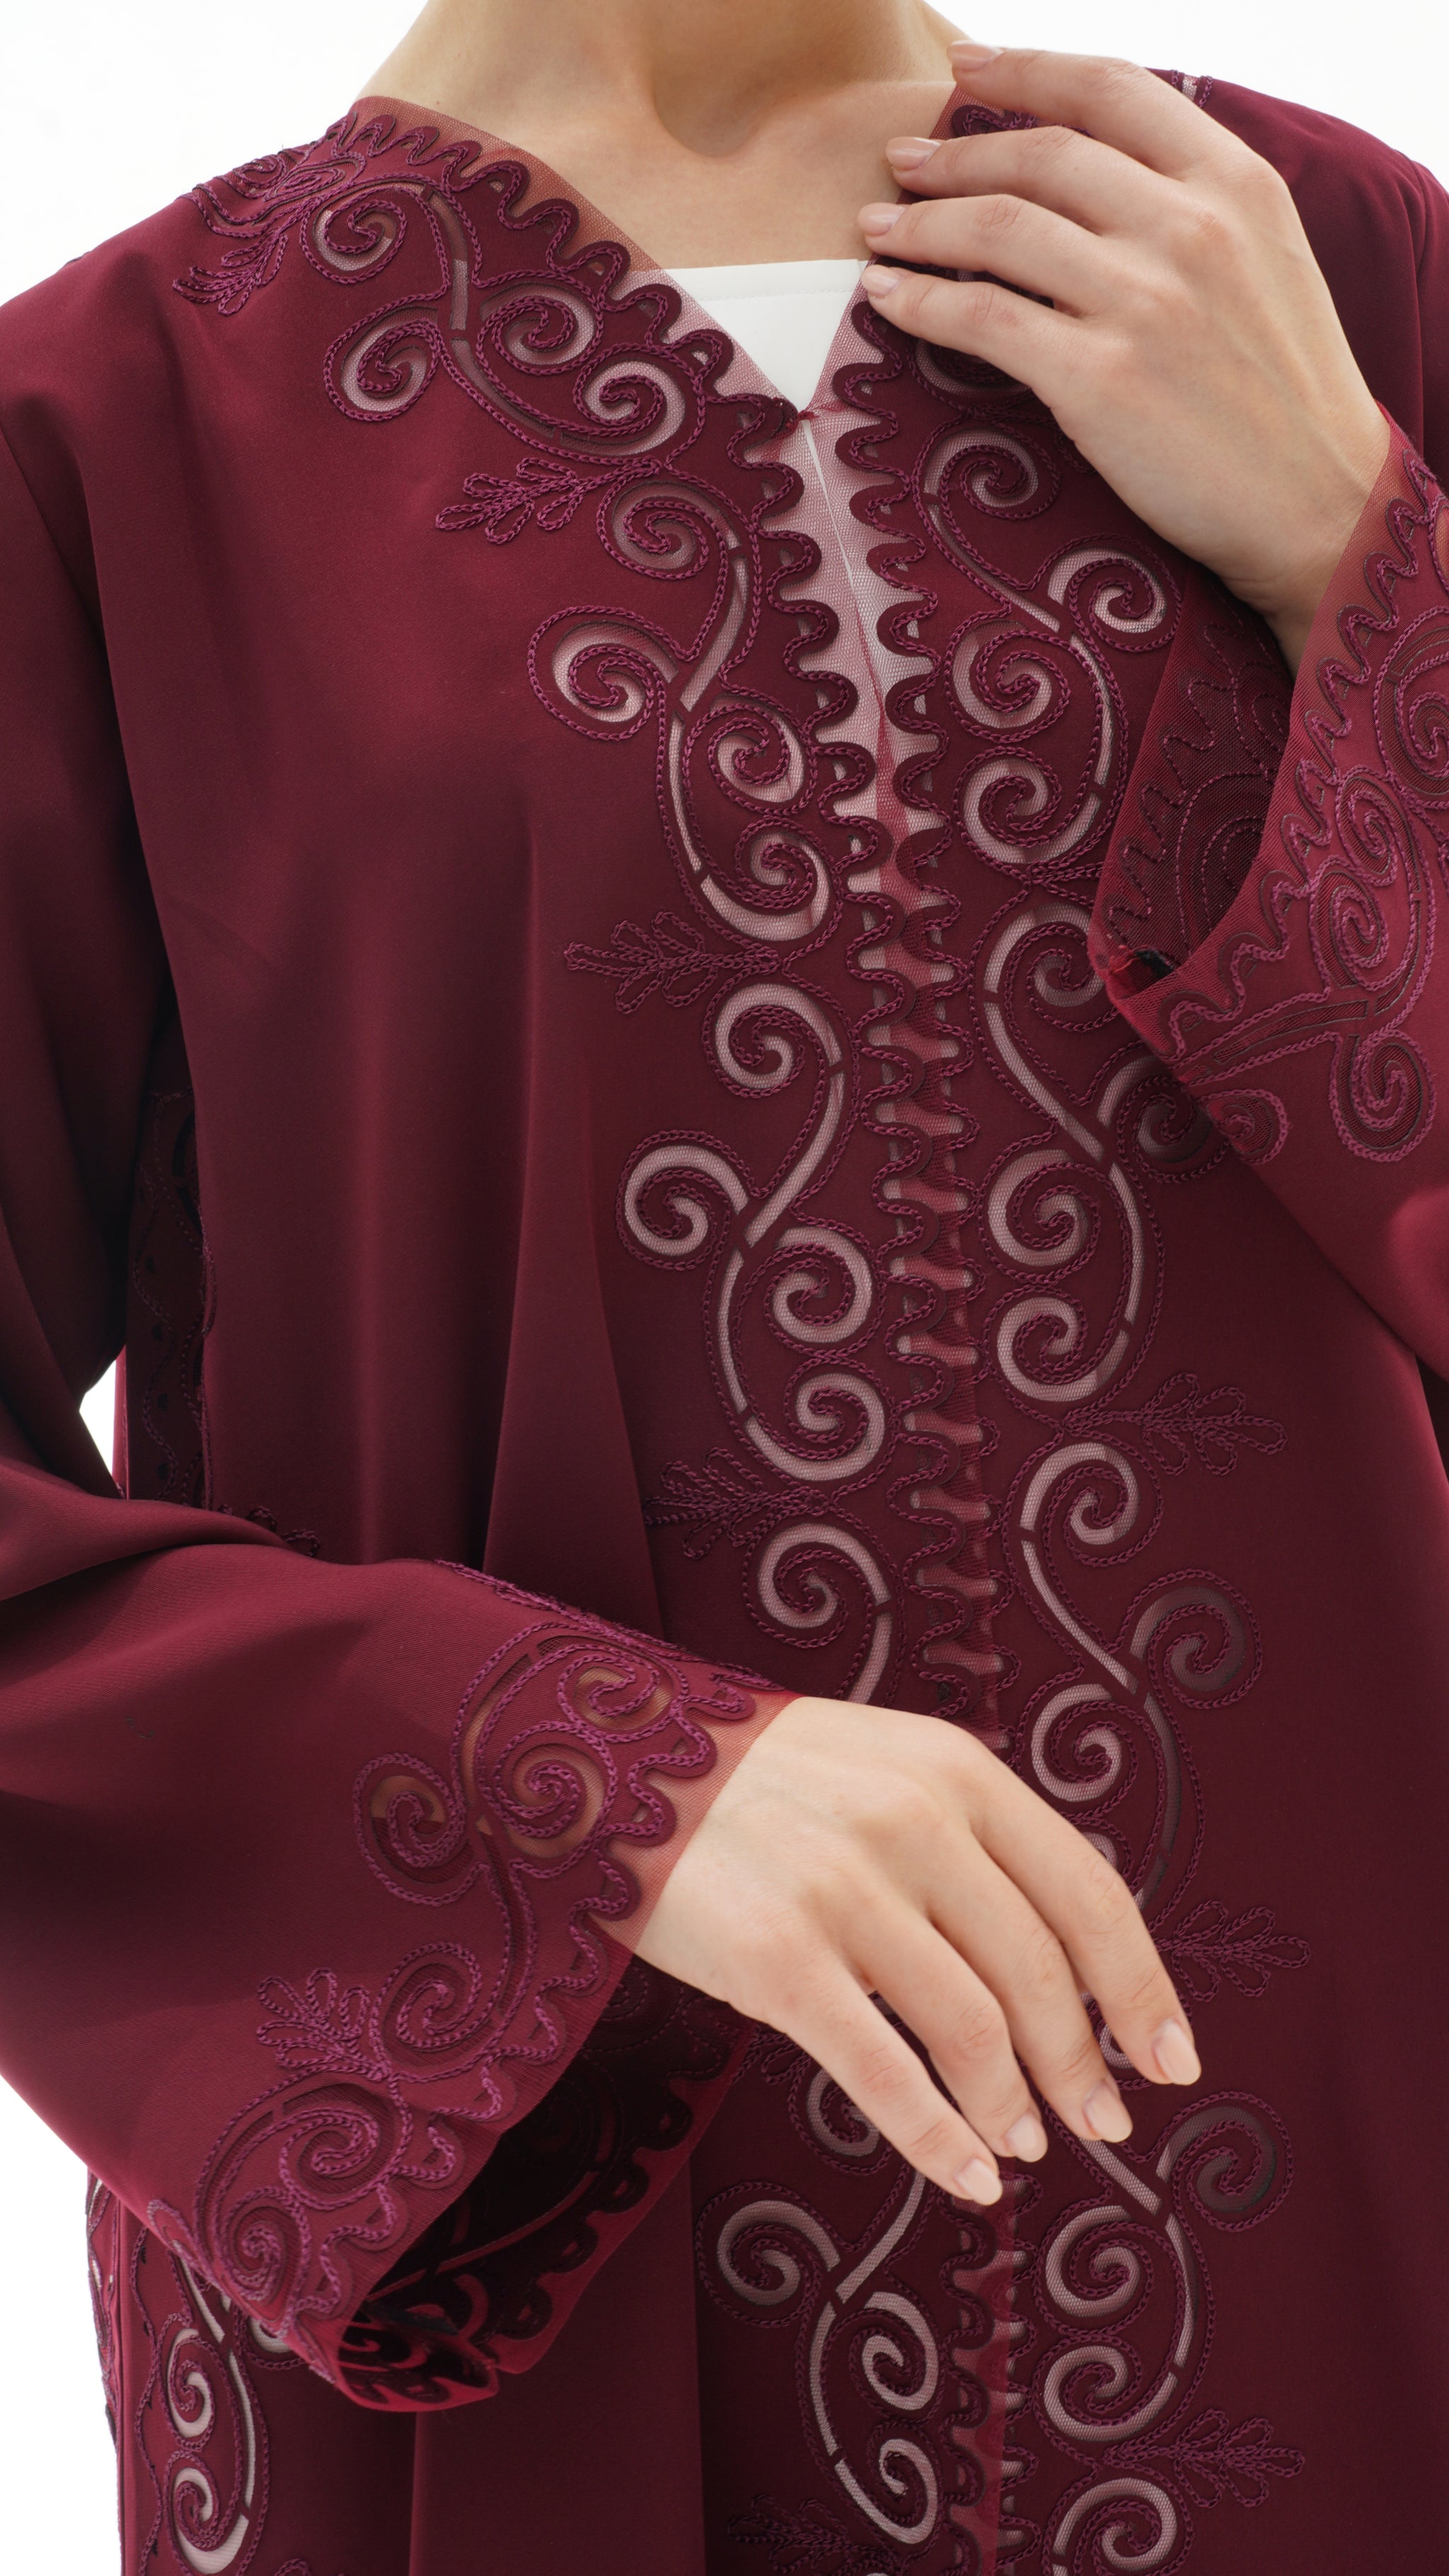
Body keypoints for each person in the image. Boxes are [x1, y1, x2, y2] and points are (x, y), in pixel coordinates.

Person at [0, 1, 1445, 2568]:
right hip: (555, 2271)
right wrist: (579, 1790)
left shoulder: (1310, 264)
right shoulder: (114, 436)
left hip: (1342, 2199)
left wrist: (1358, 544)